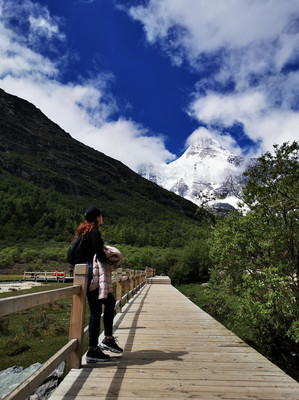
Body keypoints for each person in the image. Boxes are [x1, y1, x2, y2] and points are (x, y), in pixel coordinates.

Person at [74, 206, 123, 363]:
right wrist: (112, 261)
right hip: (93, 273)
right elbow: (100, 254)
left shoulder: (83, 232)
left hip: (86, 273)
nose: (103, 217)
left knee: (108, 303)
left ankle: (106, 340)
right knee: (97, 310)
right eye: (101, 215)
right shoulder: (94, 232)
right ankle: (93, 349)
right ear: (97, 217)